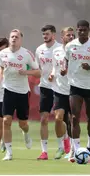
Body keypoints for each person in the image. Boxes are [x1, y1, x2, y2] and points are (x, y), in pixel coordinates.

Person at [63, 20, 90, 162]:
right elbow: (66, 60)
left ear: (88, 30)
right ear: (77, 30)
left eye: (84, 30)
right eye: (79, 30)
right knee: (74, 117)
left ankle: (89, 148)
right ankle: (75, 151)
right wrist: (64, 68)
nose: (82, 32)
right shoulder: (70, 46)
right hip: (75, 85)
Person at [0, 29, 40, 161]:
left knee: (23, 124)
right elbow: (2, 66)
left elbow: (38, 72)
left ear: (21, 39)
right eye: (12, 37)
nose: (14, 39)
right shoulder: (3, 53)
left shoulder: (27, 54)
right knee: (6, 121)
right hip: (8, 90)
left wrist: (26, 73)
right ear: (9, 39)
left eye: (16, 37)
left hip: (22, 93)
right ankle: (9, 153)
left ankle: (26, 133)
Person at [35, 25, 65, 160]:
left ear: (53, 34)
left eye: (47, 34)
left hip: (59, 87)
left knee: (60, 119)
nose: (45, 36)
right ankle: (44, 151)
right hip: (45, 87)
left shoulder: (60, 48)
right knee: (44, 119)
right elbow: (38, 68)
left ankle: (62, 146)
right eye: (43, 34)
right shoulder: (39, 50)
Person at [48, 27, 75, 160]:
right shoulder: (56, 51)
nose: (71, 37)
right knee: (58, 118)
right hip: (59, 89)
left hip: (74, 90)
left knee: (72, 121)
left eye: (72, 35)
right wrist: (52, 74)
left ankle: (73, 149)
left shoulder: (76, 50)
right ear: (62, 37)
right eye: (68, 35)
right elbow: (55, 66)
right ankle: (61, 146)